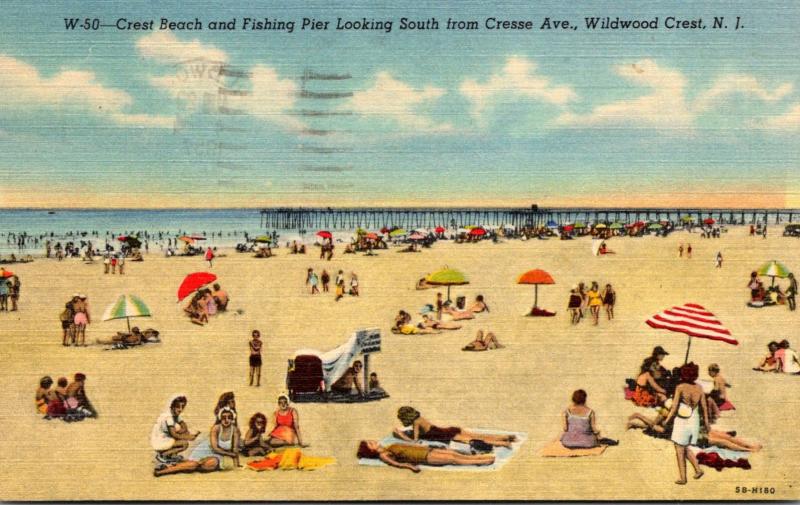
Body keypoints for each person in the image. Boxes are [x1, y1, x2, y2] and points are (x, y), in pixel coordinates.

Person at [155, 407, 241, 477]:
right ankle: (165, 471)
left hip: (220, 456)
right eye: (223, 418)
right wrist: (232, 454)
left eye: (229, 417)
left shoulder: (235, 430)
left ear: (232, 419)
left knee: (207, 465)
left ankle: (177, 465)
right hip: (206, 450)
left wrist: (237, 463)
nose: (226, 420)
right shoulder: (216, 428)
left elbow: (235, 449)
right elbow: (215, 448)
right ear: (220, 418)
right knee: (195, 464)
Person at [664, 363, 709, 485]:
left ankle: (683, 478)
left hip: (682, 420)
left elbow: (674, 408)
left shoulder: (680, 387)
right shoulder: (699, 388)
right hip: (694, 420)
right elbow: (704, 407)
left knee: (679, 449)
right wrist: (706, 423)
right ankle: (698, 470)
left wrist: (666, 421)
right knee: (684, 446)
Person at [393, 406, 515, 448]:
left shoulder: (416, 423)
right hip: (448, 430)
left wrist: (402, 436)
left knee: (475, 440)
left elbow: (415, 440)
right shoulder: (420, 418)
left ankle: (504, 443)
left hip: (444, 435)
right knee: (477, 436)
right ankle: (504, 437)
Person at [356, 440, 495, 472]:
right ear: (370, 450)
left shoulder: (388, 446)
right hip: (425, 458)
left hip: (427, 451)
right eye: (370, 443)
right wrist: (410, 466)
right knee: (454, 459)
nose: (372, 441)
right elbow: (397, 464)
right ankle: (481, 461)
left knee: (454, 453)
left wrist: (427, 446)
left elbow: (410, 446)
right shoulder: (383, 455)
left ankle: (478, 458)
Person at [150, 395, 200, 465]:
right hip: (160, 440)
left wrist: (183, 432)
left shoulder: (176, 415)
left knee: (184, 433)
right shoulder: (168, 417)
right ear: (172, 407)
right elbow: (174, 434)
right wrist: (188, 437)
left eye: (182, 407)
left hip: (166, 438)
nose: (180, 409)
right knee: (185, 444)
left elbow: (184, 426)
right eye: (178, 407)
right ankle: (164, 455)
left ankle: (171, 455)